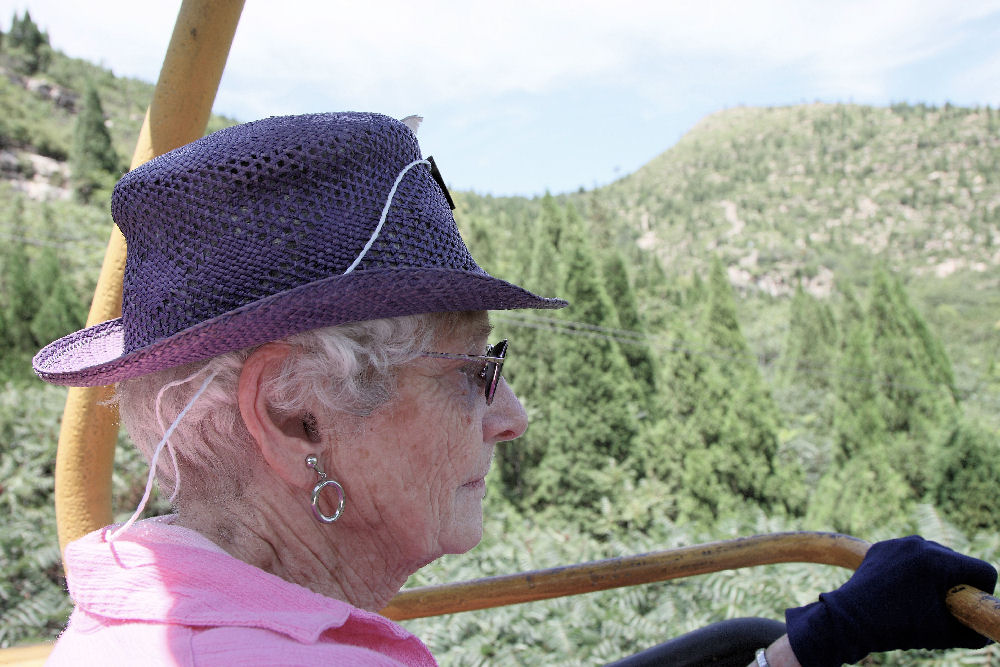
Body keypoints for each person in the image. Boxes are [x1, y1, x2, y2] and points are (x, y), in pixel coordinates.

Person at [33, 112, 995, 666]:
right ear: (294, 411)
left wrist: (809, 642)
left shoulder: (147, 619)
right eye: (477, 372)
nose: (513, 417)